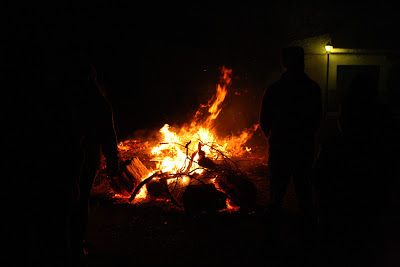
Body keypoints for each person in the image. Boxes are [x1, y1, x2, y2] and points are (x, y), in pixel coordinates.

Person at [259, 46, 322, 222]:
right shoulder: (312, 88)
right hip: (302, 149)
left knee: (277, 197)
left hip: (282, 150)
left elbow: (264, 121)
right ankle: (306, 238)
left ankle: (274, 239)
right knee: (303, 196)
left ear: (284, 63)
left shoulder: (275, 90)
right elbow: (317, 119)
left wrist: (275, 138)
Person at [70, 63, 120, 264]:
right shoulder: (98, 102)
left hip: (75, 158)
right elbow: (108, 135)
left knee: (74, 200)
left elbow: (108, 135)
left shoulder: (70, 100)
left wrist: (112, 160)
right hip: (84, 158)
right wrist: (112, 161)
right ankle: (76, 244)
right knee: (80, 201)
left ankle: (73, 243)